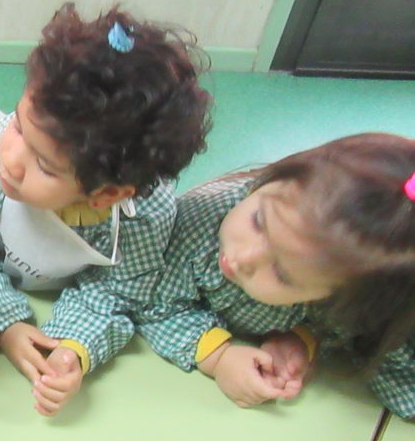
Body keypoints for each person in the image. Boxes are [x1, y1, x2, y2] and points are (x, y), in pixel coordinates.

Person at [0, 4, 211, 415]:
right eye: (19, 126)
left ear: (106, 194)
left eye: (44, 165)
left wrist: (72, 348)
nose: (12, 158)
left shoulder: (144, 217)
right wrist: (6, 325)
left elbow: (115, 294)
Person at [134, 133, 415, 411]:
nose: (243, 257)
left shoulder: (356, 293)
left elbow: (366, 347)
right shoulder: (196, 223)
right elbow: (154, 304)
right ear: (272, 179)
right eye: (258, 221)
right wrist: (219, 357)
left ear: (332, 297)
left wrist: (301, 338)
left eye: (281, 273)